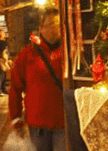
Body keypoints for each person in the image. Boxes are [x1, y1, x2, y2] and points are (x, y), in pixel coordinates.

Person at [8, 10, 66, 151]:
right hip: (38, 122)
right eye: (50, 24)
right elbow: (16, 87)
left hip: (64, 121)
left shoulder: (70, 53)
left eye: (58, 25)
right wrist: (16, 117)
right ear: (41, 28)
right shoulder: (28, 54)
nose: (54, 29)